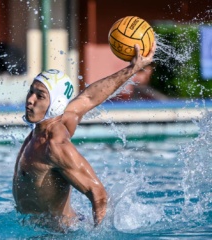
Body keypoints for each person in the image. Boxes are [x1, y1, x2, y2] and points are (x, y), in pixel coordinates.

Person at [12, 42, 156, 230]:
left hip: (58, 235)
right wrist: (133, 68)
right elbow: (90, 97)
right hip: (37, 229)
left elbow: (98, 193)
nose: (30, 99)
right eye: (31, 91)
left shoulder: (55, 146)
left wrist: (98, 235)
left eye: (40, 96)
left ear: (55, 104)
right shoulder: (51, 124)